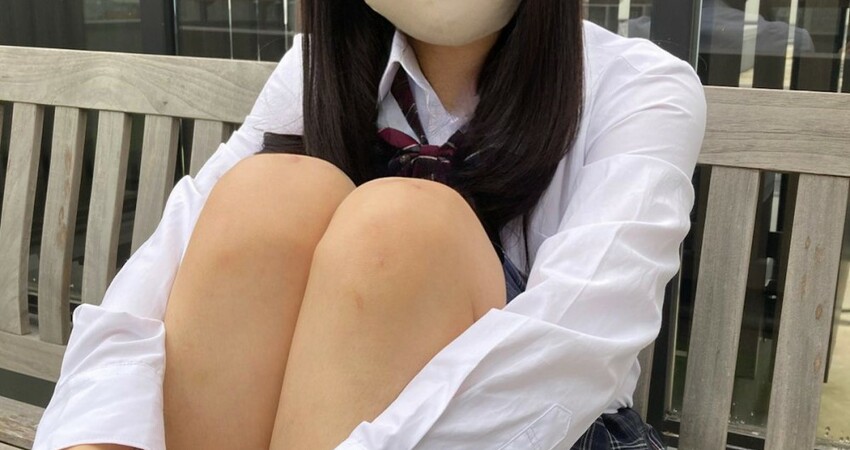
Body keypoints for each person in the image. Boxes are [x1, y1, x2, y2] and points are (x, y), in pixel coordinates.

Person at [33, 0, 706, 448]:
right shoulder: (314, 71)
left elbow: (573, 347)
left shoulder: (637, 87)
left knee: (401, 232)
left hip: (541, 429)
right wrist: (94, 435)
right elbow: (167, 265)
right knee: (269, 196)